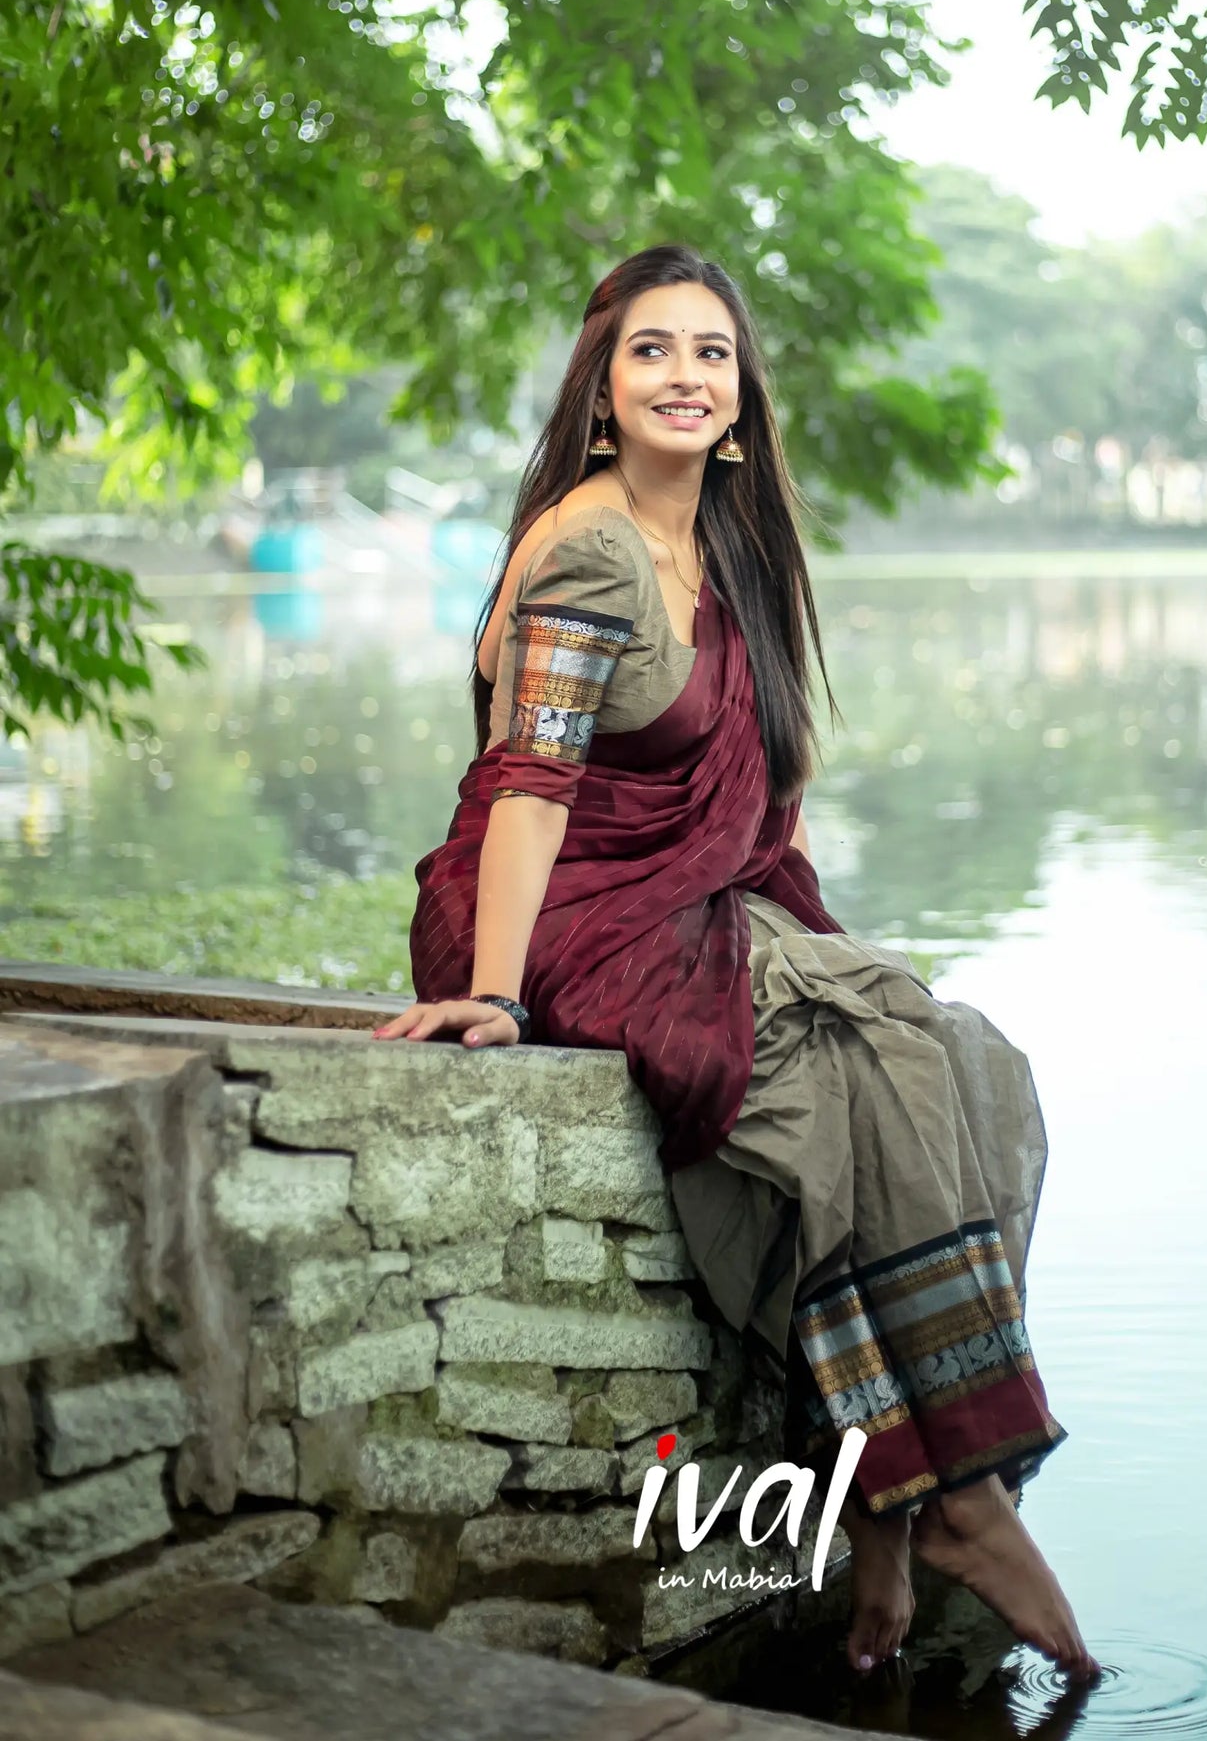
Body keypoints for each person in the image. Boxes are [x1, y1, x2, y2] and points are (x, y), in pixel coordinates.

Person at [376, 245, 1102, 1687]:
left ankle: (896, 1503)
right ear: (602, 392)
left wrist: (813, 931)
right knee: (843, 1078)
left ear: (744, 396)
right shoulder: (585, 548)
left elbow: (765, 781)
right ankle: (956, 1494)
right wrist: (500, 995)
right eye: (653, 351)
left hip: (700, 892)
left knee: (950, 1051)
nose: (686, 376)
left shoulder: (741, 542)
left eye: (712, 353)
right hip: (570, 904)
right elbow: (528, 785)